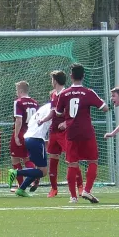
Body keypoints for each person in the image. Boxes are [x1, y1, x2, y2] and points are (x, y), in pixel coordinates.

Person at [55, 63, 109, 203]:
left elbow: (58, 112)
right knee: (93, 161)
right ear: (83, 76)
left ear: (71, 76)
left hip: (72, 132)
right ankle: (86, 190)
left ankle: (73, 197)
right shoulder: (88, 92)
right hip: (86, 131)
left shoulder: (64, 94)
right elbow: (105, 108)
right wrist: (102, 102)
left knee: (72, 163)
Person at [38, 70, 84, 198]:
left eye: (52, 79)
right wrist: (43, 120)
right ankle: (53, 189)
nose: (51, 82)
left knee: (71, 159)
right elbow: (53, 112)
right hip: (54, 131)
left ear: (55, 80)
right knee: (53, 159)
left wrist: (65, 122)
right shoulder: (53, 95)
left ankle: (80, 186)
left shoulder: (67, 94)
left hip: (65, 132)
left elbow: (72, 112)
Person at [8, 102, 52, 197]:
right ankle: (16, 172)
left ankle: (21, 189)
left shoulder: (43, 108)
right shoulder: (53, 108)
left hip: (30, 138)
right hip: (36, 139)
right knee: (43, 172)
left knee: (38, 168)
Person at [9, 81, 39, 191]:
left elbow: (19, 120)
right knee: (27, 158)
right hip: (32, 133)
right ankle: (33, 178)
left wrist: (16, 135)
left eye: (17, 90)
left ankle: (21, 185)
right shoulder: (35, 103)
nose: (16, 93)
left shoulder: (18, 102)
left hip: (22, 132)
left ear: (21, 91)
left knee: (15, 159)